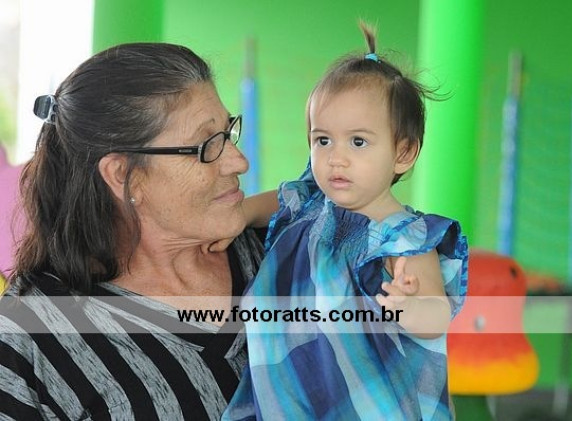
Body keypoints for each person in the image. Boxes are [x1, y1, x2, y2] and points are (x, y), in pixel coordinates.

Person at [0, 42, 265, 420]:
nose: (238, 162)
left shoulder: (281, 251)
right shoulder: (28, 337)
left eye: (227, 132)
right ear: (123, 174)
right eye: (207, 146)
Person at [221, 23, 468, 420]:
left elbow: (436, 317)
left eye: (358, 142)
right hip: (294, 385)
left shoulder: (402, 237)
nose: (336, 158)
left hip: (371, 396)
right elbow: (272, 202)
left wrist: (408, 305)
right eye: (323, 140)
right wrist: (240, 214)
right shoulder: (310, 201)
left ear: (403, 153)